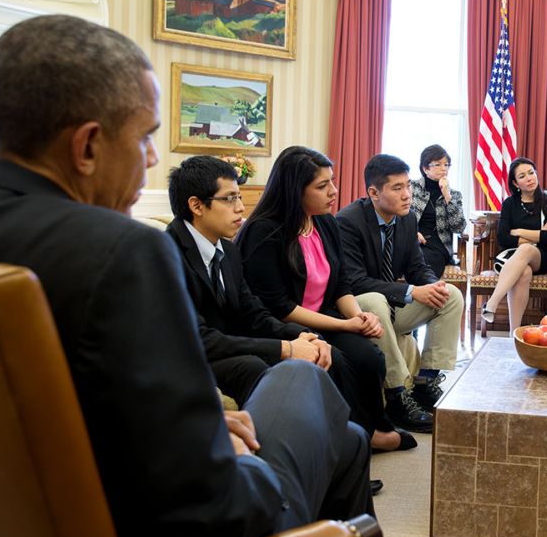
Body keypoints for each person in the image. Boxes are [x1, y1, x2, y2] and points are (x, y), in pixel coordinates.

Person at [0, 15, 380, 537]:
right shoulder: (119, 249)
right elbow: (207, 509)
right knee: (302, 383)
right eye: (144, 138)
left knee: (349, 438)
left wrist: (200, 420)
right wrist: (220, 447)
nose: (153, 156)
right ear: (86, 146)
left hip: (16, 534)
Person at [174, 154, 413, 454]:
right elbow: (207, 335)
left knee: (363, 354)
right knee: (280, 364)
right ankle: (321, 449)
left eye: (239, 196)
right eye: (230, 198)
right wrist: (287, 345)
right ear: (197, 205)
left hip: (250, 335)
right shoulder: (169, 253)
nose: (240, 207)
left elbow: (253, 311)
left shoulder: (226, 249)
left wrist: (299, 337)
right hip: (199, 352)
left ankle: (353, 439)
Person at [337, 154, 465, 427]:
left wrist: (432, 284)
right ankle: (396, 396)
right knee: (373, 299)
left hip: (393, 306)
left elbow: (417, 265)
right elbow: (355, 281)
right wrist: (411, 291)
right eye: (397, 188)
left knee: (451, 296)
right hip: (362, 308)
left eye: (408, 185)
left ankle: (424, 382)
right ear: (373, 192)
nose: (407, 194)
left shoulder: (407, 219)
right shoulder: (348, 221)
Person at [480, 157, 547, 329]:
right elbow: (503, 237)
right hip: (511, 258)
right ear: (516, 183)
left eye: (531, 173)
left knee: (525, 249)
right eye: (522, 176)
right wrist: (538, 234)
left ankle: (492, 303)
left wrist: (519, 232)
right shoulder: (509, 203)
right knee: (523, 272)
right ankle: (513, 335)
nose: (529, 178)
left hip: (541, 257)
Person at [409, 144, 467, 279]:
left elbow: (459, 227)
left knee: (426, 260)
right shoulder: (411, 188)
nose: (444, 169)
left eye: (447, 165)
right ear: (425, 168)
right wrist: (412, 232)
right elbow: (398, 214)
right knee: (410, 255)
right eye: (438, 164)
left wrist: (447, 195)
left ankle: (424, 294)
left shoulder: (454, 194)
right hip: (412, 238)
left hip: (438, 243)